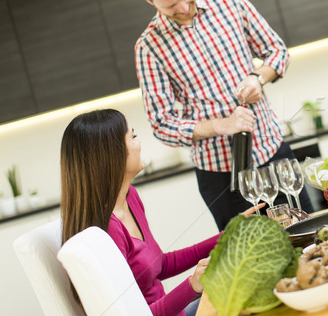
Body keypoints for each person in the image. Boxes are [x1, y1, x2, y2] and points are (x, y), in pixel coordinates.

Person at [129, 0, 313, 230]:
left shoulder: (231, 2)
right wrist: (219, 126)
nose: (182, 8)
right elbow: (161, 123)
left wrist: (257, 78)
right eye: (168, 6)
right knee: (252, 265)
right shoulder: (149, 47)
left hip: (273, 154)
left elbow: (277, 52)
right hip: (221, 177)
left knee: (310, 237)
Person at [60, 109, 261, 316]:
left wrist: (226, 236)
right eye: (133, 137)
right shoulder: (107, 229)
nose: (139, 144)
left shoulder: (130, 197)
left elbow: (160, 265)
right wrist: (193, 284)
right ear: (111, 153)